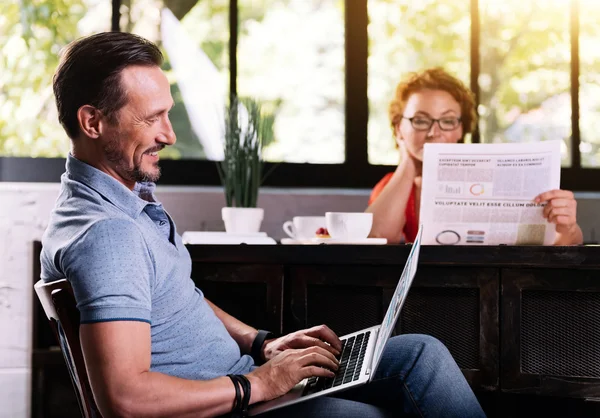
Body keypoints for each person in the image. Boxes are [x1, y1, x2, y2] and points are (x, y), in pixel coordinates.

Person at [40, 32, 486, 418]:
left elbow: (175, 295)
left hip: (241, 379)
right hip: (230, 401)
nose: (169, 134)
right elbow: (125, 399)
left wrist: (262, 343)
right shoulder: (108, 235)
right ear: (92, 122)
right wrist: (260, 385)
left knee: (421, 355)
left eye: (167, 113)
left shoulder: (120, 204)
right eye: (151, 117)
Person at [366, 68, 583, 245]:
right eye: (420, 121)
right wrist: (407, 163)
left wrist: (568, 226)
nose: (433, 132)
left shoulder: (494, 177)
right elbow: (375, 238)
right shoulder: (389, 187)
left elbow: (562, 243)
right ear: (398, 128)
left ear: (461, 129)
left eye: (448, 120)